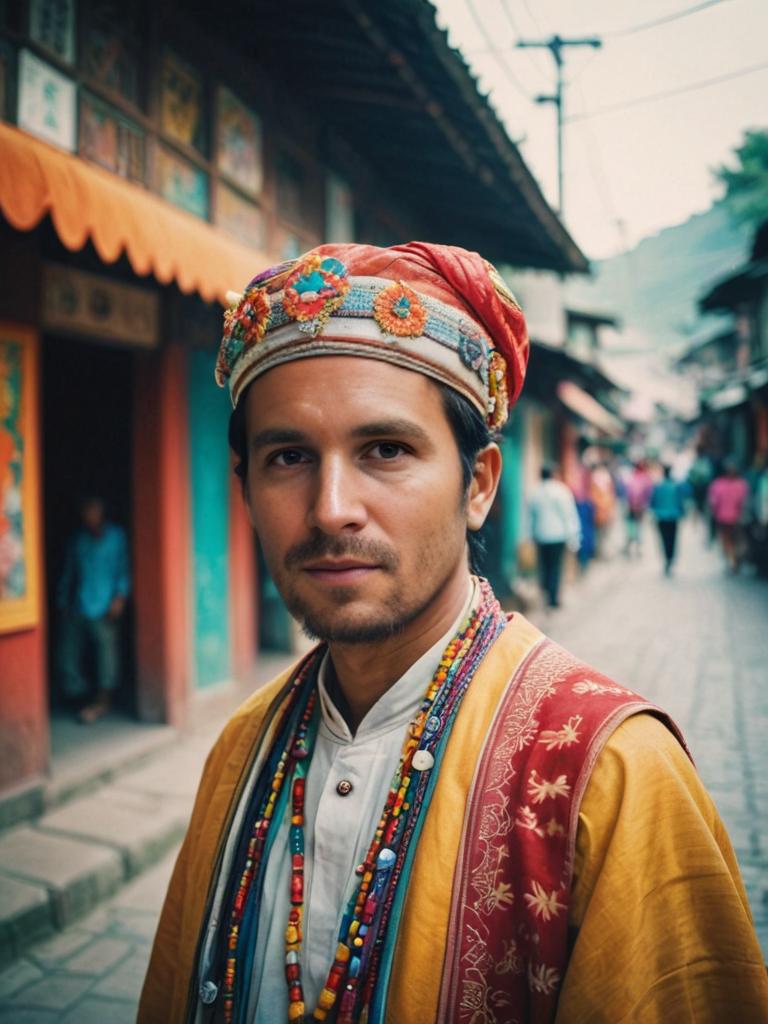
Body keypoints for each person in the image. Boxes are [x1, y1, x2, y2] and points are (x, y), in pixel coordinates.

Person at [139, 244, 767, 1024]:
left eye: (386, 450)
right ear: (246, 489)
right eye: (289, 456)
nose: (331, 506)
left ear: (478, 485)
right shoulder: (241, 751)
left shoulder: (611, 778)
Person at [56, 496, 130, 723]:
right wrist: (63, 602)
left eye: (93, 510)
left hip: (105, 606)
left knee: (106, 657)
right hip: (79, 604)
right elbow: (69, 573)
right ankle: (80, 696)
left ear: (101, 512)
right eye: (85, 511)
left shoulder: (117, 537)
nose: (89, 516)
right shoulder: (78, 541)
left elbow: (123, 569)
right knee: (68, 654)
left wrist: (119, 598)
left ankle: (102, 701)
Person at [527, 465, 581, 608]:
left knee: (544, 565)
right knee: (555, 566)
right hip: (558, 535)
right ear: (553, 474)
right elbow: (568, 515)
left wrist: (531, 535)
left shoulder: (535, 492)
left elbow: (531, 516)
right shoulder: (561, 491)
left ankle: (546, 592)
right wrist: (573, 537)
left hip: (541, 535)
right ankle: (553, 598)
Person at [708, 459, 749, 573]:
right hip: (732, 517)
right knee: (731, 539)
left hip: (728, 517)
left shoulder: (718, 484)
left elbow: (713, 502)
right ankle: (733, 559)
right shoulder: (741, 484)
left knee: (729, 539)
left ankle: (732, 559)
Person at [650, 465, 688, 575]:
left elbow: (653, 502)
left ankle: (667, 558)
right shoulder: (675, 486)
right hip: (673, 517)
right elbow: (680, 502)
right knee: (672, 539)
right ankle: (670, 558)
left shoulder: (658, 487)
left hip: (661, 517)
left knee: (664, 539)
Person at [623, 459, 654, 557]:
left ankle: (631, 546)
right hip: (640, 507)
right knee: (639, 527)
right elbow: (649, 493)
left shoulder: (632, 477)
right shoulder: (646, 478)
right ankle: (637, 547)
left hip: (632, 506)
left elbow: (628, 492)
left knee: (631, 526)